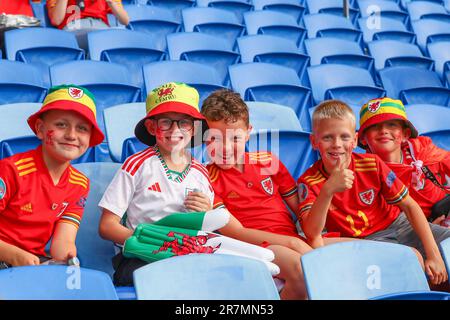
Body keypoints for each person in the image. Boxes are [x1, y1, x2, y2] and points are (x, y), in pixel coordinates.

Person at [201, 89, 354, 299]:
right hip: (255, 247)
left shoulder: (267, 161)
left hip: (293, 238)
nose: (225, 148)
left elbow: (301, 212)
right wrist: (292, 243)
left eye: (234, 138)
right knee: (304, 270)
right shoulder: (205, 178)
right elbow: (236, 232)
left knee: (366, 253)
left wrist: (307, 238)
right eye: (214, 139)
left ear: (248, 132)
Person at [297, 99, 449, 285]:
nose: (337, 144)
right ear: (314, 141)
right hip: (367, 240)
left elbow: (409, 206)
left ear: (354, 140)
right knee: (411, 261)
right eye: (327, 137)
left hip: (400, 224)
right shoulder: (308, 181)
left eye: (344, 137)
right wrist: (328, 190)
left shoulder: (372, 164)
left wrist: (435, 256)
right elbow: (312, 233)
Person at [98, 82, 216, 286]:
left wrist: (208, 212)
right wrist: (153, 240)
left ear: (194, 128)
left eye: (184, 122)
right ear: (152, 127)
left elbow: (207, 230)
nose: (175, 130)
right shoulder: (137, 165)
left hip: (188, 258)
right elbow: (107, 227)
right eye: (165, 122)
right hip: (140, 256)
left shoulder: (201, 173)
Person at [0, 84, 105, 269]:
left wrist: (69, 257)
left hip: (30, 264)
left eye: (82, 128)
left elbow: (63, 242)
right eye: (61, 125)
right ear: (40, 129)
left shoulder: (80, 184)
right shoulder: (11, 170)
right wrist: (15, 256)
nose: (72, 135)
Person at [357, 97, 450, 225]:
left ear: (405, 134)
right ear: (363, 139)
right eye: (374, 126)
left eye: (392, 124)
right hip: (410, 233)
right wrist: (431, 228)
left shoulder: (421, 149)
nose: (383, 131)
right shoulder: (363, 173)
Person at [47, 0, 129, 50]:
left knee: (121, 39)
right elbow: (56, 20)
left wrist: (111, 2)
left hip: (100, 27)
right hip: (73, 27)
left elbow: (125, 21)